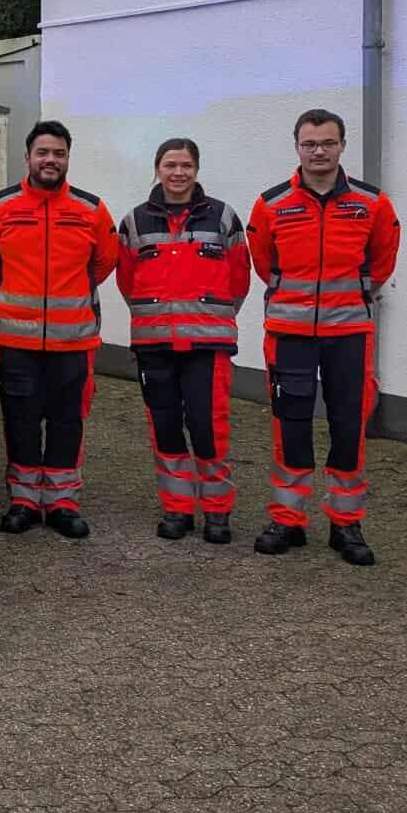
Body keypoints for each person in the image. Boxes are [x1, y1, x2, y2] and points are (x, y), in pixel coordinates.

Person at [247, 107, 402, 567]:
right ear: (297, 147)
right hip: (289, 332)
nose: (319, 151)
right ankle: (287, 520)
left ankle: (346, 524)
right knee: (289, 425)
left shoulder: (372, 203)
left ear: (342, 146)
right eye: (310, 143)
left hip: (349, 332)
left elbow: (383, 259)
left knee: (349, 426)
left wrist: (349, 296)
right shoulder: (271, 204)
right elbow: (263, 262)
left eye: (328, 143)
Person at [0, 120, 120, 539]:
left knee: (69, 421)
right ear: (28, 157)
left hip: (74, 341)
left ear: (68, 158)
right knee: (21, 420)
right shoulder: (0, 207)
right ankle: (24, 501)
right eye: (43, 152)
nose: (50, 160)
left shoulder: (91, 210)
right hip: (15, 341)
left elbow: (105, 261)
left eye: (59, 153)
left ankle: (63, 502)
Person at [116, 138, 251, 544]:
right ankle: (177, 509)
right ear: (157, 169)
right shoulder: (135, 221)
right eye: (170, 165)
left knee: (209, 429)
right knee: (166, 428)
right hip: (154, 343)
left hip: (207, 345)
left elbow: (239, 278)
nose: (178, 173)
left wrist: (211, 318)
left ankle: (217, 511)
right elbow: (127, 280)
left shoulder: (223, 217)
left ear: (197, 169)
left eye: (186, 165)